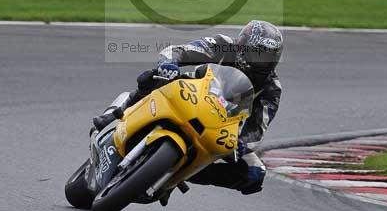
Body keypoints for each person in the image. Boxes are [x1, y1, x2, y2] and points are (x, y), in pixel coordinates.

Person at [94, 20, 282, 196]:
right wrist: (169, 64)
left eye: (266, 56)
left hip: (222, 127)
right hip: (192, 93)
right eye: (257, 53)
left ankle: (183, 173)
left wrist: (241, 142)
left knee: (255, 173)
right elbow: (177, 51)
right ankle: (116, 114)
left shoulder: (271, 88)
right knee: (151, 78)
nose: (260, 61)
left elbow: (257, 129)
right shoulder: (223, 45)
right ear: (243, 45)